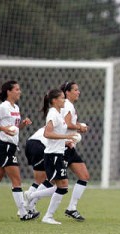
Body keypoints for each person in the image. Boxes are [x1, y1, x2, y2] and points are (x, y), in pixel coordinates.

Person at [0, 80, 39, 221]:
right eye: (17, 89)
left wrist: (22, 125)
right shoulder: (2, 107)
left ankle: (23, 212)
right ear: (9, 91)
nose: (19, 91)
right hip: (5, 147)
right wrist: (2, 128)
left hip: (10, 147)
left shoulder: (16, 108)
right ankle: (23, 213)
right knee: (16, 179)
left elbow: (13, 129)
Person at [40, 89, 78, 225]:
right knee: (63, 186)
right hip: (53, 155)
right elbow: (47, 133)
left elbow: (55, 134)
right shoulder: (52, 114)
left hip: (58, 153)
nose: (64, 100)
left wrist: (65, 141)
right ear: (54, 100)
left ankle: (32, 197)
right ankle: (48, 216)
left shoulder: (58, 114)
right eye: (62, 98)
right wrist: (66, 136)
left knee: (62, 186)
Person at [60, 81, 90, 221]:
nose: (78, 92)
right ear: (67, 92)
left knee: (84, 175)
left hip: (70, 147)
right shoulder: (66, 104)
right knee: (53, 183)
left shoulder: (69, 105)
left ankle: (72, 208)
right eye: (76, 90)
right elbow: (66, 124)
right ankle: (30, 198)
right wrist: (80, 127)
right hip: (63, 147)